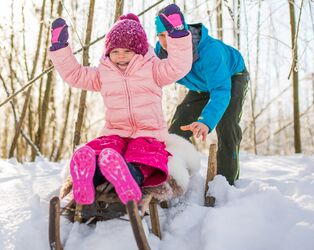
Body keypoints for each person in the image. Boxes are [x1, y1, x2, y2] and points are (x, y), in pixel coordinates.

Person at [48, 4, 192, 205]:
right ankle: (87, 178)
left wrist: (177, 34)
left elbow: (179, 65)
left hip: (148, 134)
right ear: (108, 52)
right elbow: (75, 75)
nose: (121, 55)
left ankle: (129, 176)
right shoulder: (104, 73)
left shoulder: (153, 69)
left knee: (146, 155)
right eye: (115, 51)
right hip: (115, 132)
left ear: (140, 51)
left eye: (127, 50)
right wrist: (59, 48)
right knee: (101, 150)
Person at [154, 6, 249, 185]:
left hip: (231, 76)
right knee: (178, 127)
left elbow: (221, 90)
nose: (165, 40)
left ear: (181, 31)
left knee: (227, 126)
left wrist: (206, 121)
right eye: (161, 35)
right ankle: (174, 176)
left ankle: (226, 182)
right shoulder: (159, 53)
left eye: (169, 33)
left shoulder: (209, 52)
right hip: (200, 86)